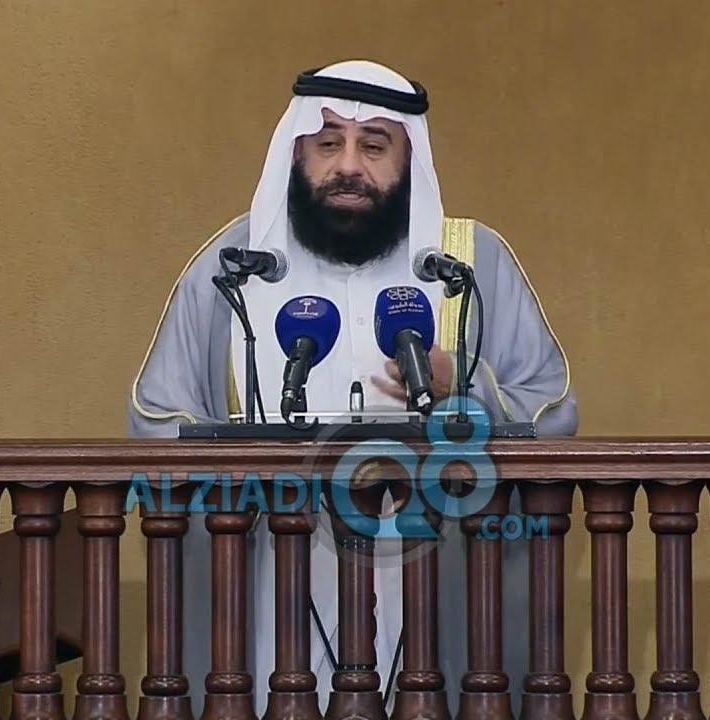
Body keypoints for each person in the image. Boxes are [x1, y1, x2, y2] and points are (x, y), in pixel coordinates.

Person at [127, 59, 578, 718]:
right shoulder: (234, 269)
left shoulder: (468, 265)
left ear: (408, 159)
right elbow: (153, 418)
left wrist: (464, 387)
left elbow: (553, 410)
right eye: (327, 142)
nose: (347, 165)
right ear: (297, 153)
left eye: (373, 146)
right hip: (272, 575)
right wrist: (251, 464)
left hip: (434, 570)